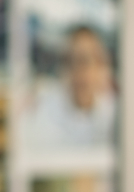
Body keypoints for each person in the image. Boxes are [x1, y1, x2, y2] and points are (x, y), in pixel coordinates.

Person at [23, 23, 118, 151]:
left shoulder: (115, 115)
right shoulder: (42, 112)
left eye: (84, 60)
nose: (78, 71)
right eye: (69, 61)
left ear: (101, 65)